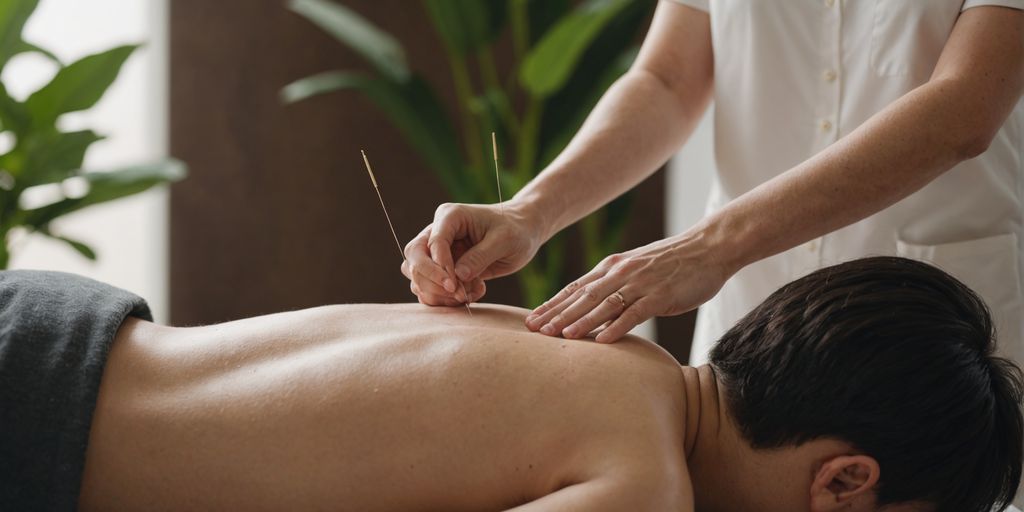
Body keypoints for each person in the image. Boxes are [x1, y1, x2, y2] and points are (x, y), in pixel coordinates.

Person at [1, 257, 1020, 511]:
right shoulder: (643, 484)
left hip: (54, 323)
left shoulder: (617, 351)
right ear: (845, 482)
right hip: (34, 442)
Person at [399, 1, 1024, 367]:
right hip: (751, 308)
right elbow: (668, 81)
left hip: (930, 318)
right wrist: (530, 211)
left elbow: (965, 107)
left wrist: (709, 248)